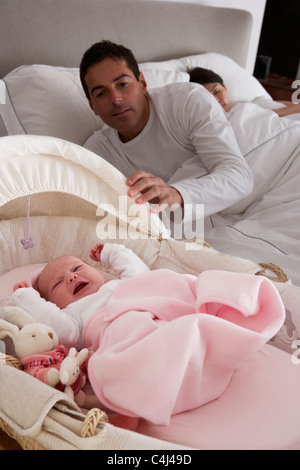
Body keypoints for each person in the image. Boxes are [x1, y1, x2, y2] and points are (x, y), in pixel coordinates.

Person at [10, 242, 284, 424]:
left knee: (196, 290)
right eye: (58, 283)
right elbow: (56, 328)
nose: (71, 276)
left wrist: (110, 252)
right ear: (53, 304)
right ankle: (178, 357)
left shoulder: (120, 283)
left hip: (160, 307)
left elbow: (138, 271)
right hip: (128, 332)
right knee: (165, 340)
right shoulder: (73, 316)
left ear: (97, 271)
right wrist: (26, 296)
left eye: (78, 268)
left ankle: (234, 308)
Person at [79, 40, 253, 228]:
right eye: (100, 94)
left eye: (123, 84)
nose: (116, 99)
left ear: (143, 83)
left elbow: (239, 176)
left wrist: (178, 194)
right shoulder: (97, 153)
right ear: (92, 106)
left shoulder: (186, 101)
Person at [189, 66, 300, 118]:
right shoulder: (229, 118)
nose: (217, 100)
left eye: (217, 91)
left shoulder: (251, 104)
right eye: (209, 98)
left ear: (225, 88)